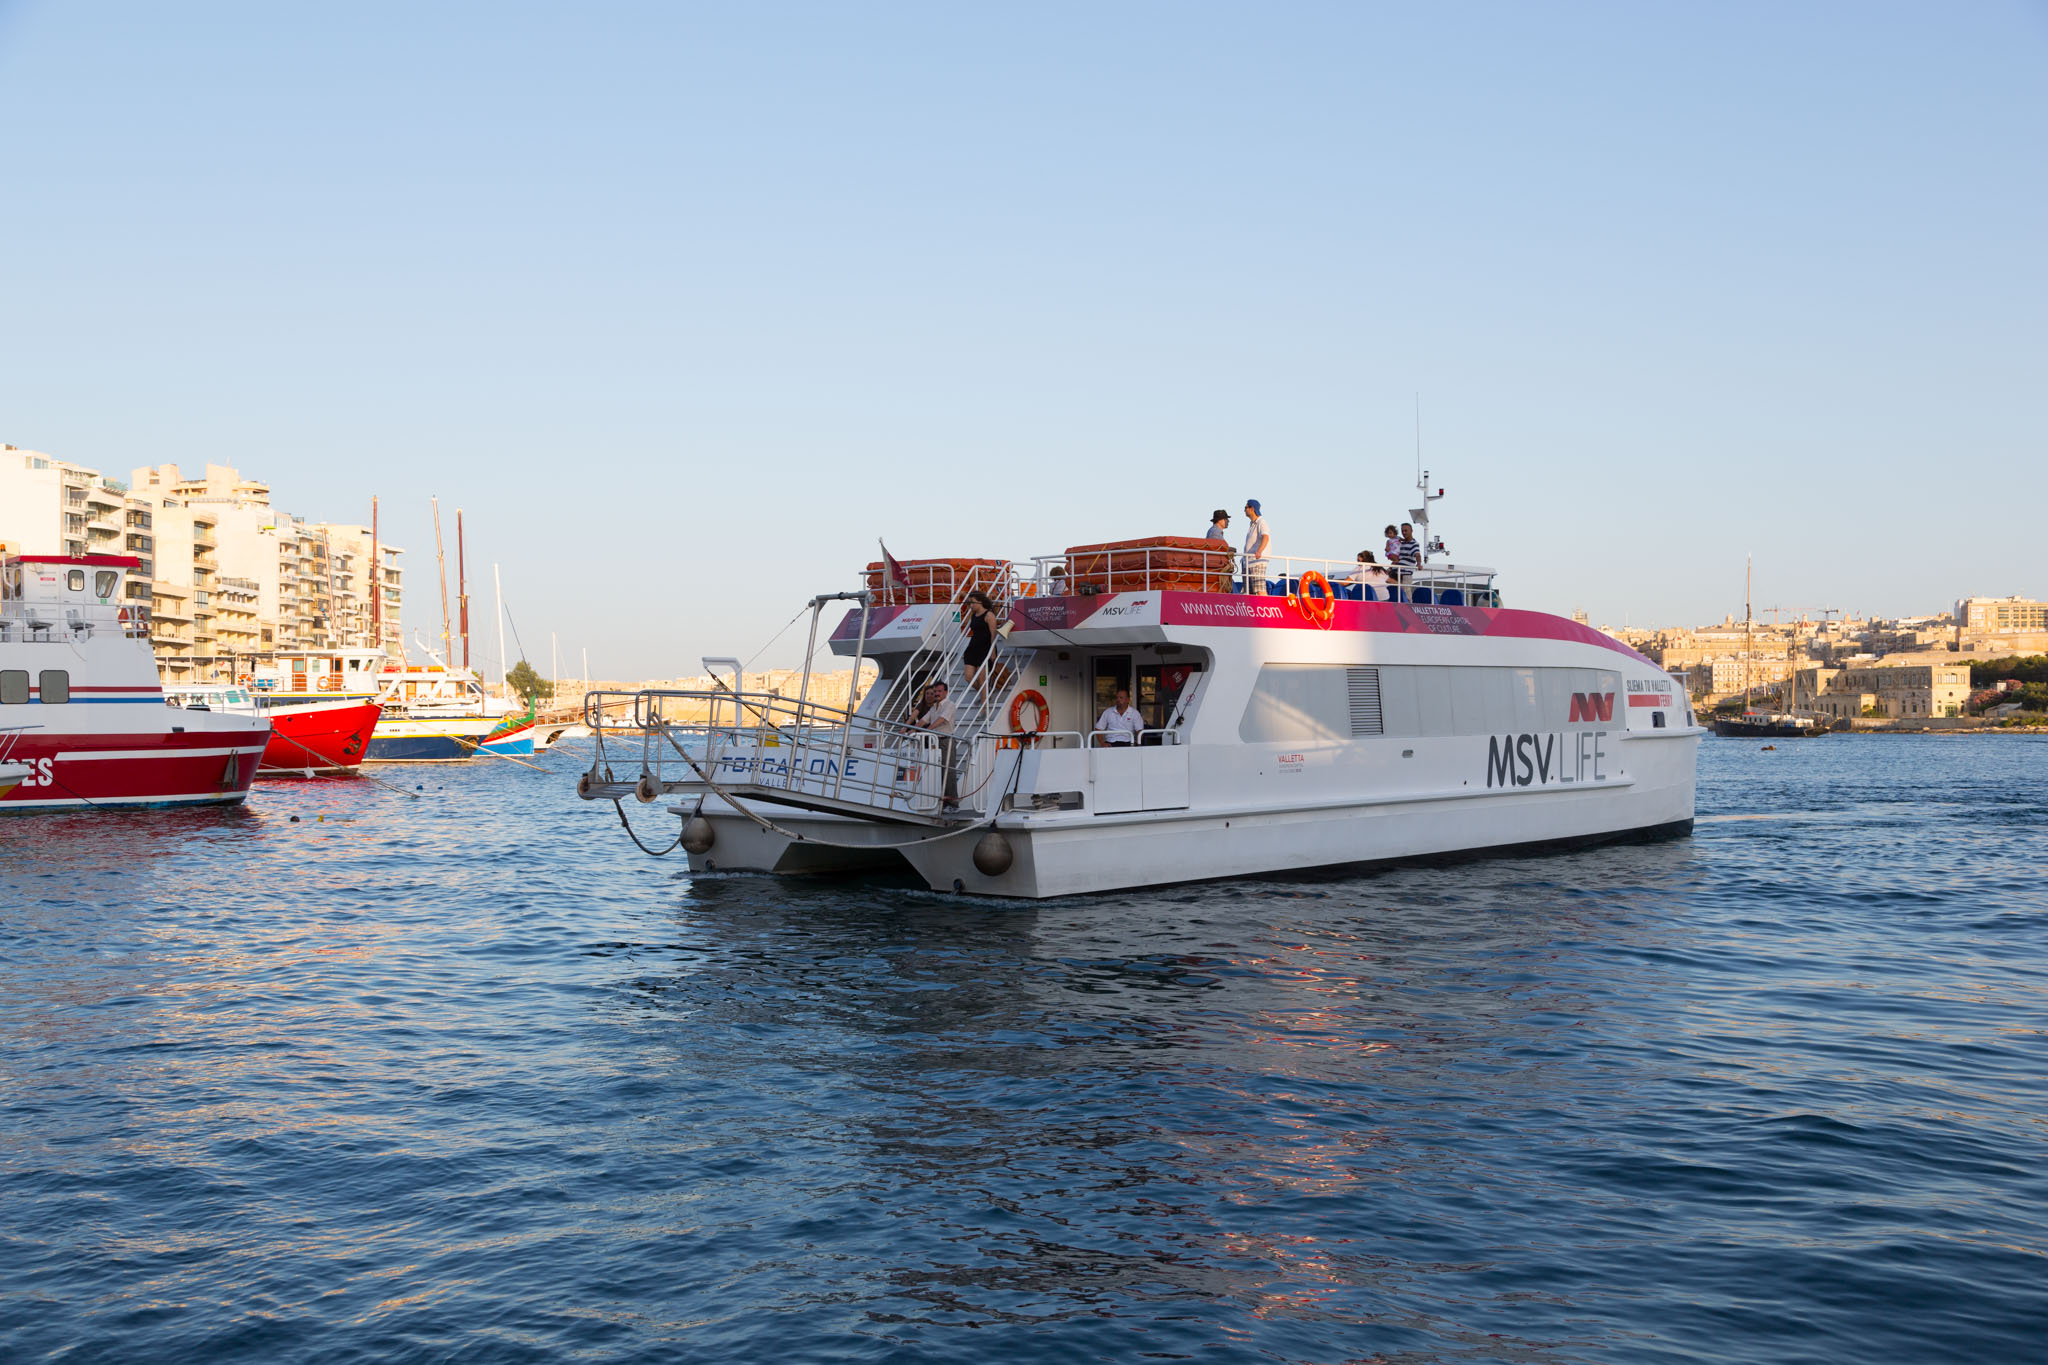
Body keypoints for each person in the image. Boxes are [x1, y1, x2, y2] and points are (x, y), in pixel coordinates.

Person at [960, 590, 1004, 702]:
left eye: (972, 602)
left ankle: (984, 705)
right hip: (973, 647)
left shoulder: (989, 615)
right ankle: (985, 694)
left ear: (980, 602)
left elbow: (993, 634)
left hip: (985, 647)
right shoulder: (973, 615)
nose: (971, 605)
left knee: (981, 677)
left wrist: (992, 652)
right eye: (970, 602)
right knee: (968, 676)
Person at [1242, 499, 1271, 595]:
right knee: (1249, 592)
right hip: (1249, 562)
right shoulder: (1252, 524)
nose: (1244, 510)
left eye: (1246, 507)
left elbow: (1265, 537)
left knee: (1259, 589)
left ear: (1252, 509)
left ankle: (1265, 604)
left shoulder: (1261, 522)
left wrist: (1259, 551)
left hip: (1257, 561)